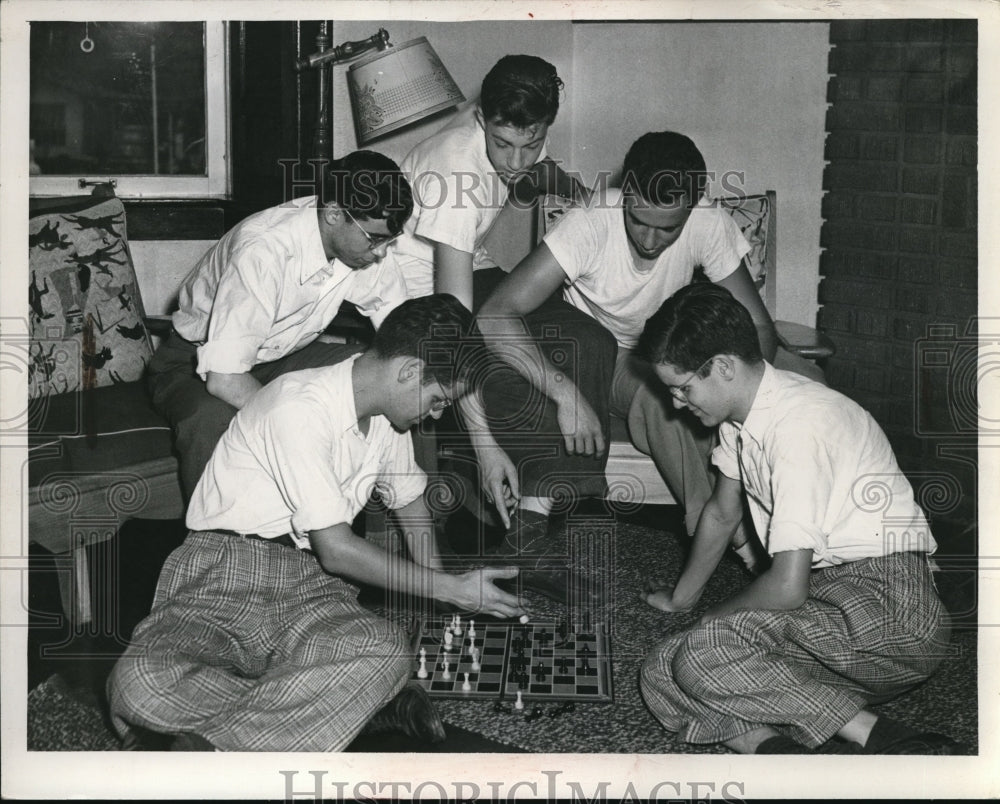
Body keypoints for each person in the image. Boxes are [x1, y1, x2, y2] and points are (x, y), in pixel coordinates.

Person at [108, 294, 526, 752]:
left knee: (385, 648)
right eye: (438, 399)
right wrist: (452, 588)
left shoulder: (387, 424)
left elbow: (411, 507)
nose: (439, 413)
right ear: (409, 371)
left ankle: (217, 744)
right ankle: (344, 712)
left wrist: (445, 600)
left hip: (315, 592)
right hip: (224, 578)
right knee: (139, 681)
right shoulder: (297, 404)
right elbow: (337, 549)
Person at [636, 283, 961, 755]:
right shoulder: (741, 421)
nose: (677, 404)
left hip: (892, 611)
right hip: (834, 607)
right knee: (663, 667)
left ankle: (883, 737)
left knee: (704, 651)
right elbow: (722, 513)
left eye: (684, 388)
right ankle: (783, 755)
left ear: (723, 367)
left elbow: (788, 587)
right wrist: (681, 599)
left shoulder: (799, 424)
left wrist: (709, 620)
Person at [474, 130, 783, 593]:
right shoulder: (590, 221)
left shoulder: (708, 222)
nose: (651, 240)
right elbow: (495, 313)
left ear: (691, 208)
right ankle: (736, 543)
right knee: (664, 401)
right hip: (600, 355)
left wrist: (747, 394)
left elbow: (758, 327)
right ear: (626, 194)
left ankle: (795, 541)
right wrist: (562, 389)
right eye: (639, 221)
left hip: (669, 352)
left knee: (785, 390)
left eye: (669, 229)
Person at [148, 150, 414, 499]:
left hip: (280, 357)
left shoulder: (363, 243)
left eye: (389, 241)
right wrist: (296, 420)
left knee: (380, 376)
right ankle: (223, 531)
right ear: (334, 213)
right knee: (210, 421)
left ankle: (385, 505)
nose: (381, 253)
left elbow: (404, 334)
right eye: (375, 239)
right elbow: (224, 379)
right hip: (192, 364)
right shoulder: (265, 249)